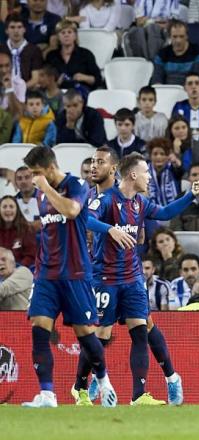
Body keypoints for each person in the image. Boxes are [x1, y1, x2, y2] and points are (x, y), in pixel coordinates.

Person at [81, 150, 199, 406]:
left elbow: (167, 212)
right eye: (146, 172)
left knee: (141, 330)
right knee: (100, 334)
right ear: (133, 174)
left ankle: (139, 395)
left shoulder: (140, 202)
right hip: (105, 277)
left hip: (132, 278)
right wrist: (110, 229)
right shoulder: (105, 199)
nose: (149, 177)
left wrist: (192, 193)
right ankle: (89, 381)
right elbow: (86, 220)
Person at [21, 146, 117, 408]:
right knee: (39, 328)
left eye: (37, 173)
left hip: (75, 274)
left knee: (86, 333)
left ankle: (104, 380)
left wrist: (47, 189)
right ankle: (47, 395)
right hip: (47, 274)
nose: (33, 179)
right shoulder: (42, 194)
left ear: (50, 168)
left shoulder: (76, 184)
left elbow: (72, 211)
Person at [45, 19, 102, 91]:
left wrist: (84, 77)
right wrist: (57, 83)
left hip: (80, 93)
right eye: (63, 33)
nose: (66, 35)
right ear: (58, 37)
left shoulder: (86, 54)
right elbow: (45, 80)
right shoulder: (51, 56)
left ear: (75, 36)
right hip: (58, 93)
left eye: (69, 32)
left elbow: (98, 80)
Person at [151, 19, 199, 86]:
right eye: (174, 37)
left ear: (187, 36)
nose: (178, 41)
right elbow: (157, 80)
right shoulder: (161, 55)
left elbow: (198, 81)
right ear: (169, 37)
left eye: (181, 36)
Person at [170, 162, 199, 232]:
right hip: (184, 240)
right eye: (194, 175)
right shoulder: (179, 199)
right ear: (189, 178)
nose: (198, 178)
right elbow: (175, 226)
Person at [1, 13, 43, 87]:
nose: (16, 31)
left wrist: (20, 89)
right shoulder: (1, 50)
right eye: (12, 27)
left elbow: (35, 79)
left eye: (19, 27)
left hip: (27, 91)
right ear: (6, 30)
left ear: (24, 29)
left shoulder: (34, 50)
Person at [0, 195, 37, 267]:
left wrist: (16, 268)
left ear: (17, 210)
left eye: (11, 206)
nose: (8, 210)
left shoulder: (26, 229)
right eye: (4, 207)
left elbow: (31, 255)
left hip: (19, 270)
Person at [146, 137, 183, 205]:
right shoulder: (144, 172)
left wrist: (177, 163)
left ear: (168, 156)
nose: (158, 157)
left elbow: (180, 171)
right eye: (155, 154)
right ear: (150, 156)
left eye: (162, 154)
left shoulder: (173, 169)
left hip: (174, 211)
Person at [0, 246, 33, 310]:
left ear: (13, 262)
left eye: (3, 259)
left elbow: (3, 289)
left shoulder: (23, 272)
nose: (0, 263)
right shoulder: (3, 281)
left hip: (24, 318)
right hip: (7, 318)